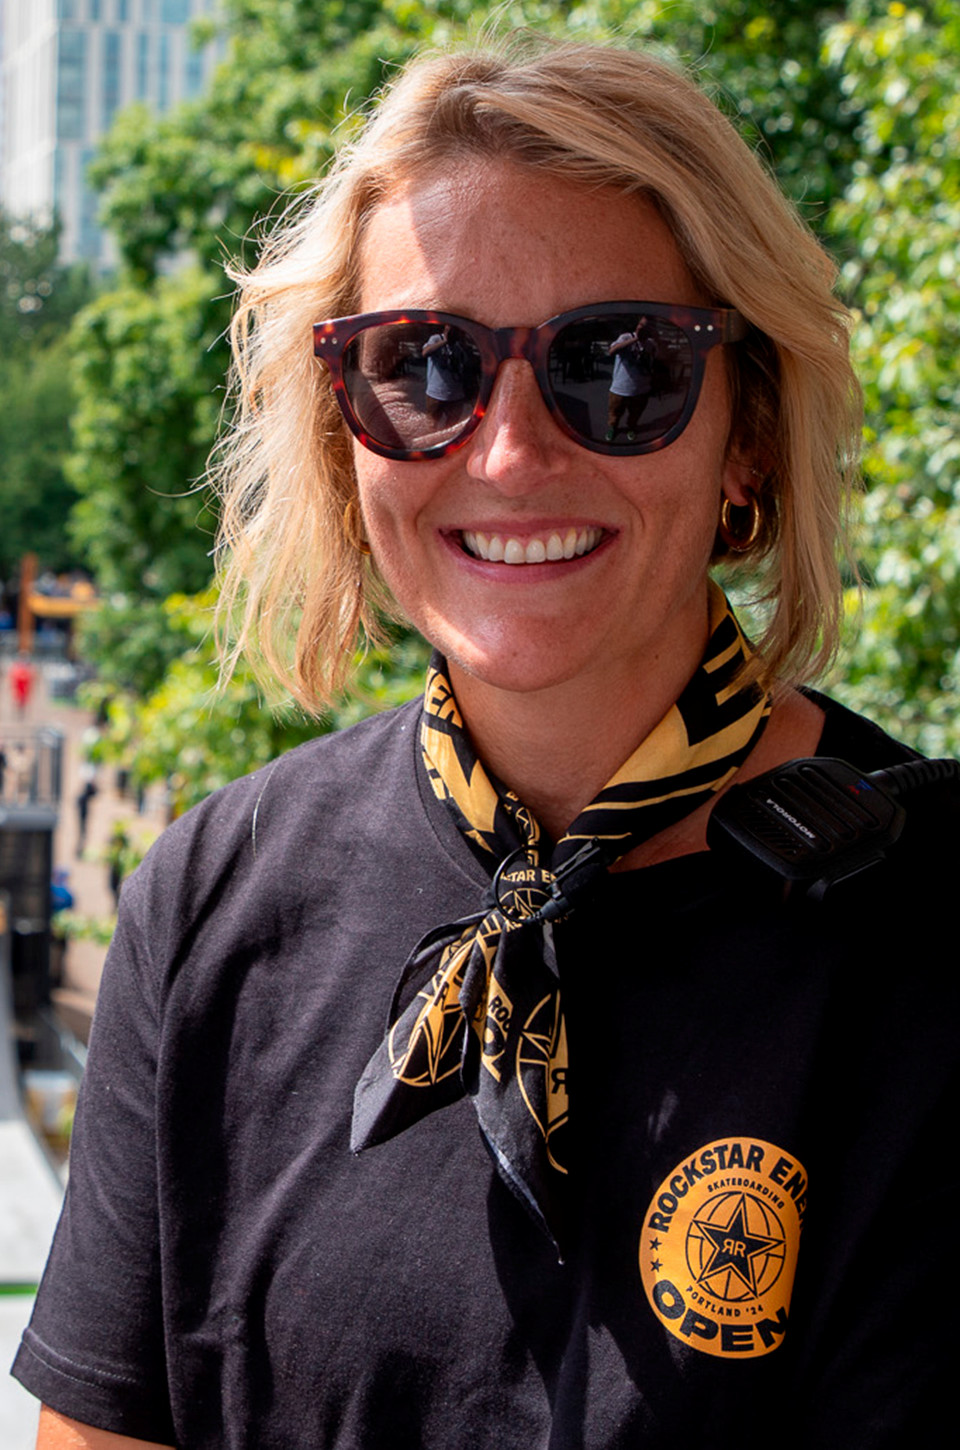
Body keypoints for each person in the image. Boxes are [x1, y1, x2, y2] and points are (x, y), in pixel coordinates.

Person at [13, 36, 955, 1450]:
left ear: (746, 432)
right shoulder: (214, 895)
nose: (508, 450)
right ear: (344, 432)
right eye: (423, 365)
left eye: (619, 365)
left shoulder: (933, 931)